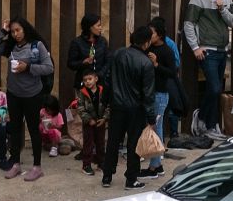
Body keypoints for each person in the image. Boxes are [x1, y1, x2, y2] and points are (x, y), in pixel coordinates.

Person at [0, 17, 55, 181]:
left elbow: (49, 67)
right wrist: (2, 31)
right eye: (12, 31)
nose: (16, 34)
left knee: (33, 130)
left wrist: (29, 67)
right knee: (15, 129)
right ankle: (16, 164)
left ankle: (37, 167)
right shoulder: (10, 47)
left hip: (33, 94)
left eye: (18, 30)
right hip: (13, 93)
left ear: (25, 29)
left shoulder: (36, 46)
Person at [184, 0, 233, 138]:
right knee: (214, 88)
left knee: (216, 89)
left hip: (222, 50)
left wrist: (222, 9)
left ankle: (211, 125)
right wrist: (195, 47)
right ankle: (201, 117)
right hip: (206, 50)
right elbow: (188, 24)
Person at [105, 26, 158, 190]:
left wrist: (106, 102)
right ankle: (131, 179)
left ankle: (107, 176)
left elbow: (107, 80)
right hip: (136, 108)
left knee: (113, 141)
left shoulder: (117, 54)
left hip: (117, 105)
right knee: (134, 144)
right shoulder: (146, 63)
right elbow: (148, 94)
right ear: (147, 42)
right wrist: (151, 117)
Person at [145, 22, 180, 176]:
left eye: (151, 33)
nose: (149, 36)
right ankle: (156, 164)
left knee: (156, 127)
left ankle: (156, 166)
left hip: (160, 93)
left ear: (159, 34)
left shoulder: (166, 50)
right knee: (152, 127)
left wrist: (156, 64)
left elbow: (172, 73)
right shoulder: (148, 48)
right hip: (150, 92)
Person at [73, 71, 108, 175]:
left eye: (90, 79)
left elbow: (108, 105)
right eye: (85, 80)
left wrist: (105, 118)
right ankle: (86, 165)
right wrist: (88, 119)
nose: (87, 82)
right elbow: (80, 108)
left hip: (100, 122)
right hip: (88, 123)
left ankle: (101, 163)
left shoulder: (103, 91)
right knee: (88, 143)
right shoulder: (82, 92)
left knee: (101, 143)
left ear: (96, 79)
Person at [67, 13, 109, 86]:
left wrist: (98, 75)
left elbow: (108, 61)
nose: (101, 28)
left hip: (101, 83)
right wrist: (83, 62)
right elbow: (71, 64)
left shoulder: (103, 41)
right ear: (90, 27)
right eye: (98, 25)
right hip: (83, 83)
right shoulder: (77, 42)